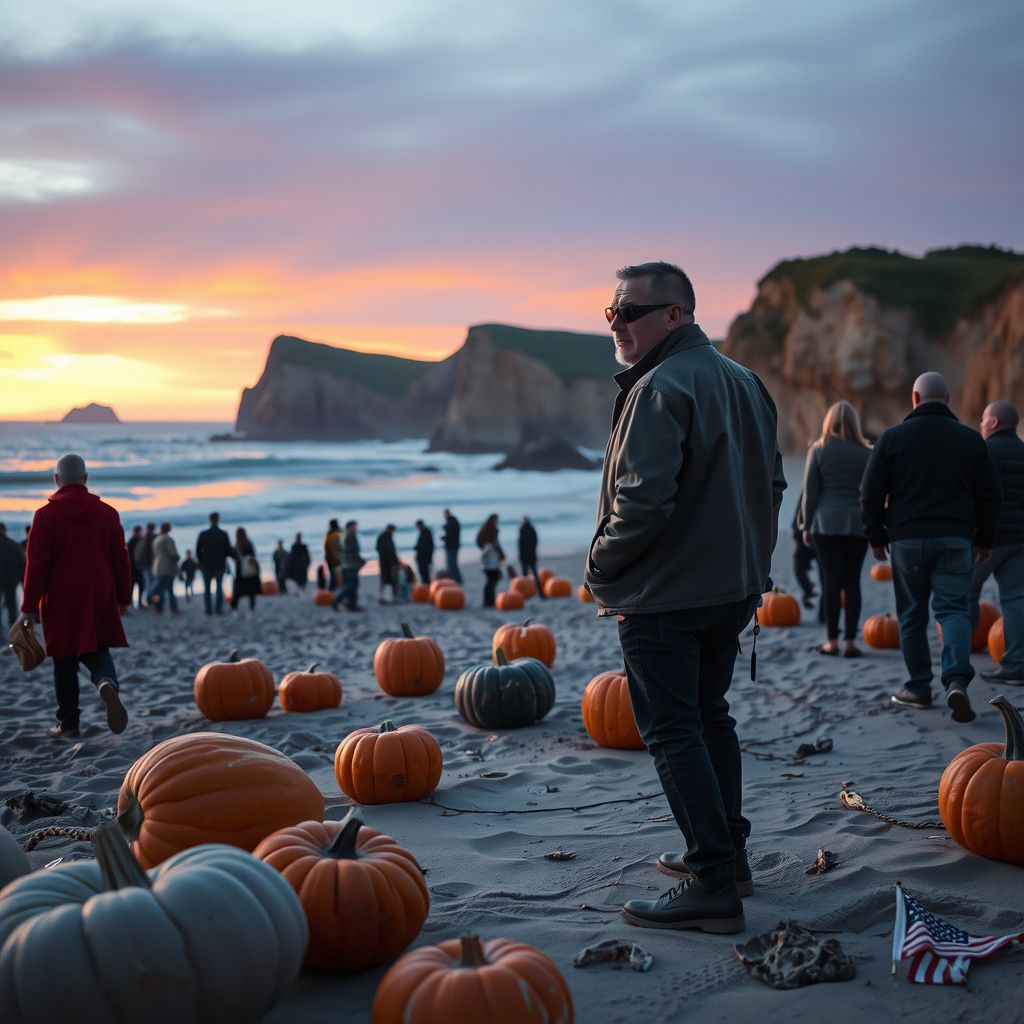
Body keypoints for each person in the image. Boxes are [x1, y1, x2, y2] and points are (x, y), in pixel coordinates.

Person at [585, 261, 785, 935]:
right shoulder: (745, 381)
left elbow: (641, 502)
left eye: (630, 312)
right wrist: (753, 562)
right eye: (610, 313)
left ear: (676, 315)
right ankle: (731, 859)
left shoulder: (661, 385)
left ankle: (711, 880)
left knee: (673, 729)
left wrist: (599, 565)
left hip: (667, 592)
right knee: (709, 717)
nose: (617, 324)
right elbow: (773, 484)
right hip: (731, 586)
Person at [861, 371, 1001, 722]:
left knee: (911, 615)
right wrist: (984, 539)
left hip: (907, 541)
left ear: (914, 398)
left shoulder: (892, 439)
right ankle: (955, 680)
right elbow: (991, 495)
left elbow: (870, 493)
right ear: (948, 399)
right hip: (955, 539)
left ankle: (919, 689)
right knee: (953, 610)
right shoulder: (971, 441)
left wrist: (876, 536)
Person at [20, 453, 130, 738]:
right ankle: (106, 682)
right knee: (97, 648)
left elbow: (37, 565)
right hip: (99, 592)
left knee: (64, 660)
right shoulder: (108, 513)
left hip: (60, 598)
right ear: (85, 478)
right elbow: (121, 559)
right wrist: (124, 597)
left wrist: (29, 607)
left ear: (57, 480)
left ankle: (68, 724)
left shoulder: (45, 516)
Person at [801, 401, 873, 657]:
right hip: (857, 524)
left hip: (824, 524)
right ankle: (851, 642)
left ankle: (831, 641)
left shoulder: (819, 450)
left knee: (831, 582)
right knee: (852, 583)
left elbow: (810, 493)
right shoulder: (867, 453)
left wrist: (805, 525)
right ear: (855, 423)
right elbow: (871, 493)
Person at [971, 401, 1024, 685]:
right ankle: (1017, 665)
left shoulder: (981, 452)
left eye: (983, 419)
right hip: (1020, 540)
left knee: (964, 594)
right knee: (1016, 600)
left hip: (986, 540)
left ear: (993, 423)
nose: (980, 424)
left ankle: (958, 658)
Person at [196, 512, 232, 615]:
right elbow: (228, 550)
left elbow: (198, 551)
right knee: (219, 587)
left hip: (206, 565)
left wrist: (201, 562)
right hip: (219, 563)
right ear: (218, 519)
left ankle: (208, 610)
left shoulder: (203, 534)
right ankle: (218, 609)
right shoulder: (223, 534)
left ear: (209, 519)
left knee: (207, 588)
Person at [332, 521, 364, 611]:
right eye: (355, 526)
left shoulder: (344, 535)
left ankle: (351, 605)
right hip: (351, 564)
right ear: (350, 527)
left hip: (346, 564)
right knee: (352, 585)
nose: (356, 528)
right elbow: (352, 552)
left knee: (351, 585)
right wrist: (361, 561)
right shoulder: (349, 536)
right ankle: (337, 599)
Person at [0, 522, 26, 631]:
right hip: (11, 579)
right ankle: (12, 626)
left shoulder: (14, 545)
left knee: (10, 602)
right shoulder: (14, 545)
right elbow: (22, 563)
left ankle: (7, 627)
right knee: (11, 603)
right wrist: (22, 580)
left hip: (10, 579)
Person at [149, 522, 180, 614]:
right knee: (169, 589)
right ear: (168, 529)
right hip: (167, 568)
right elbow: (172, 553)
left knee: (160, 589)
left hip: (157, 567)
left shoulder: (156, 539)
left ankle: (158, 606)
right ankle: (173, 607)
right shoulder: (168, 539)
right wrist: (177, 557)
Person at [230, 527, 261, 611]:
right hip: (250, 569)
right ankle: (252, 606)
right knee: (251, 590)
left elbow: (233, 556)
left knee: (238, 591)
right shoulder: (249, 544)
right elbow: (253, 556)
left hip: (240, 570)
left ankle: (233, 606)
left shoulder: (237, 546)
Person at [477, 514, 504, 607]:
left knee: (491, 582)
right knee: (491, 582)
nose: (497, 522)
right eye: (496, 520)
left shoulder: (487, 531)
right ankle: (489, 602)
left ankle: (489, 602)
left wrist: (501, 555)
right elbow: (488, 548)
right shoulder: (490, 535)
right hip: (490, 563)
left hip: (491, 562)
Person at [517, 516, 547, 599]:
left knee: (525, 576)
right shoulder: (531, 529)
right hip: (531, 555)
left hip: (526, 556)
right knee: (534, 574)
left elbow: (520, 544)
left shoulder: (522, 529)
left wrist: (520, 554)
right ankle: (540, 593)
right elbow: (535, 542)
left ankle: (526, 594)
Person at [375, 524, 399, 604]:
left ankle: (391, 597)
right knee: (385, 579)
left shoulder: (389, 536)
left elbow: (392, 551)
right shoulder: (383, 537)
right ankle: (382, 597)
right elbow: (382, 549)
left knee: (391, 580)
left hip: (390, 562)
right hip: (385, 562)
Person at [135, 523, 157, 605]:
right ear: (153, 528)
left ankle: (150, 599)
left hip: (144, 564)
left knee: (149, 582)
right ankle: (151, 599)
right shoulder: (153, 537)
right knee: (153, 582)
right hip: (152, 563)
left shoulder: (143, 538)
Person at [126, 525, 146, 607]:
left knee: (133, 585)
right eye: (141, 531)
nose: (142, 533)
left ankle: (131, 602)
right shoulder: (136, 541)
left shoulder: (131, 541)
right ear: (138, 532)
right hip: (136, 567)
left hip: (132, 567)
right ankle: (139, 602)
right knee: (140, 584)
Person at [441, 509, 462, 583]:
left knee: (451, 565)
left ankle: (456, 580)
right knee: (452, 564)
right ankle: (457, 580)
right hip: (453, 545)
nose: (444, 516)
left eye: (445, 514)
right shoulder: (453, 522)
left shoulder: (451, 523)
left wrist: (445, 537)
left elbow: (451, 535)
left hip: (451, 546)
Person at [324, 519, 343, 590]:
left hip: (330, 559)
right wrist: (339, 560)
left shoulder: (328, 534)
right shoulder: (334, 535)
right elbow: (335, 550)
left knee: (333, 578)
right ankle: (332, 595)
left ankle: (332, 594)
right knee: (335, 579)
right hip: (334, 560)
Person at [414, 519, 434, 584]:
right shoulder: (424, 532)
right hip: (423, 557)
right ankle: (425, 586)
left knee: (424, 574)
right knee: (423, 574)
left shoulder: (425, 533)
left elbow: (425, 546)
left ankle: (426, 587)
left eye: (417, 526)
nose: (417, 528)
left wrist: (417, 547)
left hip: (423, 558)